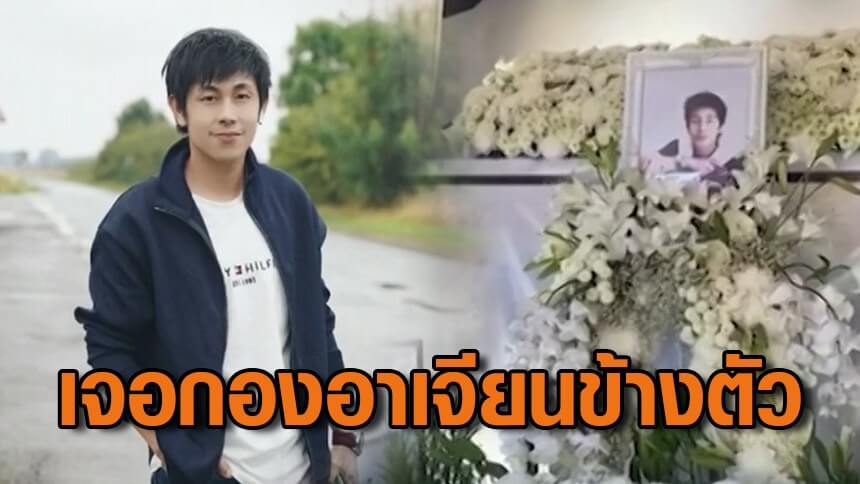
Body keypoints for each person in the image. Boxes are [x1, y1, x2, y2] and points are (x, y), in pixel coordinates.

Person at [73, 28, 360, 484]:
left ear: (261, 106)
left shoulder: (289, 201)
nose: (228, 114)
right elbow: (110, 348)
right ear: (178, 109)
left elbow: (317, 321)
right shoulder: (137, 221)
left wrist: (342, 435)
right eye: (209, 98)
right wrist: (165, 441)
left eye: (241, 96)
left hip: (305, 469)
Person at [644, 90, 743, 186]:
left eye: (709, 121)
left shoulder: (732, 164)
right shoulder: (676, 149)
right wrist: (687, 162)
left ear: (720, 126)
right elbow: (647, 166)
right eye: (695, 121)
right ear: (687, 126)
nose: (702, 128)